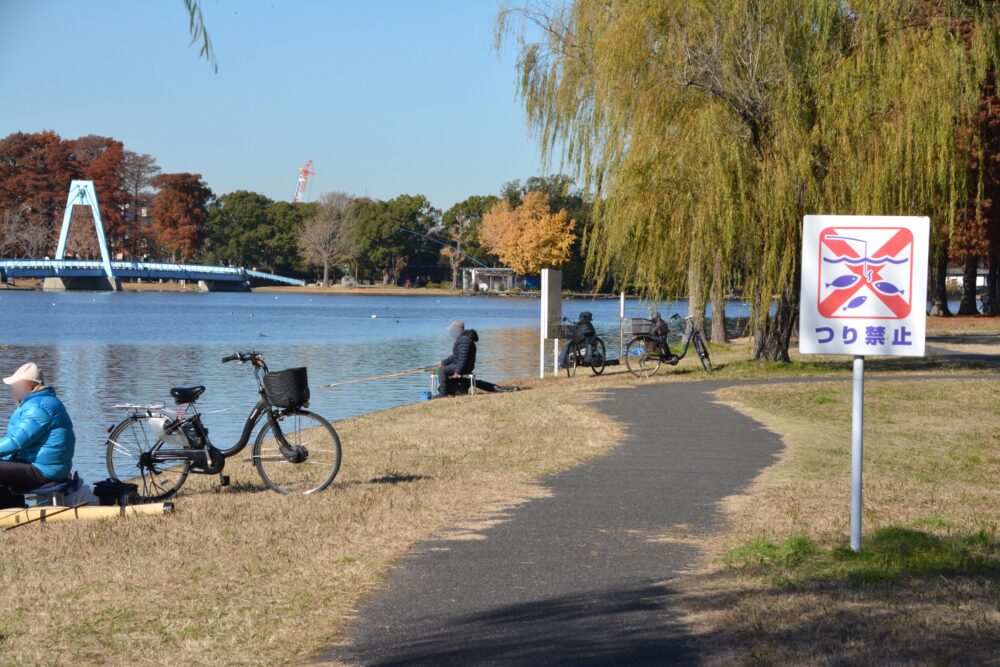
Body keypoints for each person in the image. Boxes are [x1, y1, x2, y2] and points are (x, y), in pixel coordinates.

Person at [0, 363, 75, 508]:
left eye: (16, 386)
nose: (13, 391)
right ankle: (11, 508)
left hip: (44, 470)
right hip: (48, 467)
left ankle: (10, 510)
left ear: (27, 386)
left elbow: (16, 442)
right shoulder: (42, 402)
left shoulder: (38, 406)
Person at [436, 320, 478, 397]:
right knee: (443, 368)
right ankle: (450, 390)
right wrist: (444, 362)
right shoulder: (462, 338)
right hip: (464, 365)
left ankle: (443, 393)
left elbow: (463, 357)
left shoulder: (464, 339)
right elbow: (455, 355)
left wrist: (457, 371)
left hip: (465, 367)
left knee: (441, 370)